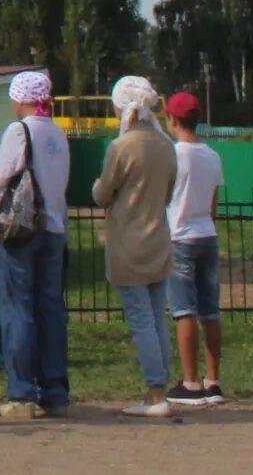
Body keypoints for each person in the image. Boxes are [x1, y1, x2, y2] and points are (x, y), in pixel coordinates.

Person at [0, 69, 72, 420]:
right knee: (50, 307)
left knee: (18, 306)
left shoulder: (18, 131)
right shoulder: (58, 133)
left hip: (23, 229)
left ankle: (22, 393)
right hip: (54, 227)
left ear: (20, 98)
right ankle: (55, 390)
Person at [96, 74, 179, 418]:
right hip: (159, 238)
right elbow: (169, 192)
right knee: (158, 317)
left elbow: (103, 194)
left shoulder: (121, 147)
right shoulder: (166, 146)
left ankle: (155, 391)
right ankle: (161, 387)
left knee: (141, 319)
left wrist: (97, 188)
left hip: (128, 242)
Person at [165, 91, 224, 407]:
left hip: (180, 236)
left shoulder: (174, 154)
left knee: (184, 309)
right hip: (207, 234)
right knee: (210, 310)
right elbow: (213, 205)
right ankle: (213, 381)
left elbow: (165, 195)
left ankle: (190, 382)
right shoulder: (212, 155)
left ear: (172, 119)